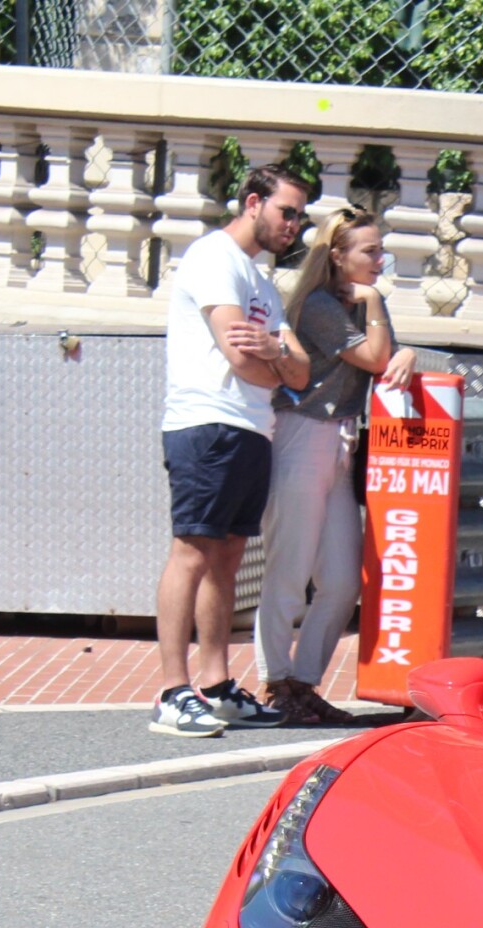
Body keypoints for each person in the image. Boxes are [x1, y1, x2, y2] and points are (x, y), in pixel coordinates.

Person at [152, 163, 314, 738]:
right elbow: (250, 363)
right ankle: (173, 692)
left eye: (300, 216)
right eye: (286, 211)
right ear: (252, 203)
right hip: (207, 424)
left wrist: (274, 352)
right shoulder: (213, 258)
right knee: (192, 553)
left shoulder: (262, 285)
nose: (294, 225)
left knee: (227, 560)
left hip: (252, 429)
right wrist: (277, 362)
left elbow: (300, 368)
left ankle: (216, 685)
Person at [256, 208, 417, 728]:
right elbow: (374, 358)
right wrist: (374, 303)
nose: (379, 259)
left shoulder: (356, 301)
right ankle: (276, 681)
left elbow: (387, 355)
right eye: (369, 251)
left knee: (343, 579)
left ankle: (303, 682)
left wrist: (405, 347)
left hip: (340, 439)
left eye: (379, 249)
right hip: (304, 434)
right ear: (337, 256)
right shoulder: (323, 304)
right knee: (290, 567)